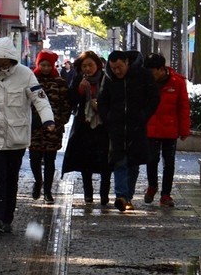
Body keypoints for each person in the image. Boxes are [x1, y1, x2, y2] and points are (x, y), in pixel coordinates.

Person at [0, 37, 56, 234]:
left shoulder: (25, 74)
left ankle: (7, 217)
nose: (1, 65)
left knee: (10, 178)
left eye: (5, 61)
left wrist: (48, 120)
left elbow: (40, 100)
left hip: (16, 139)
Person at [95, 50, 159, 212]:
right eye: (113, 68)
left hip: (136, 125)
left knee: (133, 163)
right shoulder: (108, 78)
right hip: (116, 126)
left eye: (119, 67)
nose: (117, 71)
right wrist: (108, 116)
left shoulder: (142, 75)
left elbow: (154, 98)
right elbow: (102, 100)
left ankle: (127, 197)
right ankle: (121, 195)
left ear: (127, 63)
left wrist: (143, 115)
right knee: (119, 161)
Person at [62, 50, 112, 206]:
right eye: (84, 66)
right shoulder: (79, 79)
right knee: (86, 161)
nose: (88, 69)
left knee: (105, 161)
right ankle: (88, 194)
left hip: (103, 126)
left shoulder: (106, 79)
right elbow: (71, 101)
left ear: (98, 64)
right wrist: (80, 90)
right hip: (84, 125)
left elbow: (113, 101)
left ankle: (104, 195)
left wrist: (100, 106)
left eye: (90, 65)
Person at [143, 53, 190, 207]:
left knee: (168, 162)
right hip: (151, 127)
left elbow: (183, 107)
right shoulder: (146, 82)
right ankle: (152, 186)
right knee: (151, 159)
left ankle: (166, 194)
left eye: (152, 72)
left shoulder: (178, 82)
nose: (150, 75)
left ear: (161, 69)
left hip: (170, 129)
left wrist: (184, 130)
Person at [28, 51, 72, 202]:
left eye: (48, 65)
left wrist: (61, 120)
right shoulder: (31, 81)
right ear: (38, 65)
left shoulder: (59, 82)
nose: (45, 68)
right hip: (34, 127)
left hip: (53, 128)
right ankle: (38, 181)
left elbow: (66, 103)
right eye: (43, 65)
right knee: (34, 157)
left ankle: (47, 190)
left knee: (49, 160)